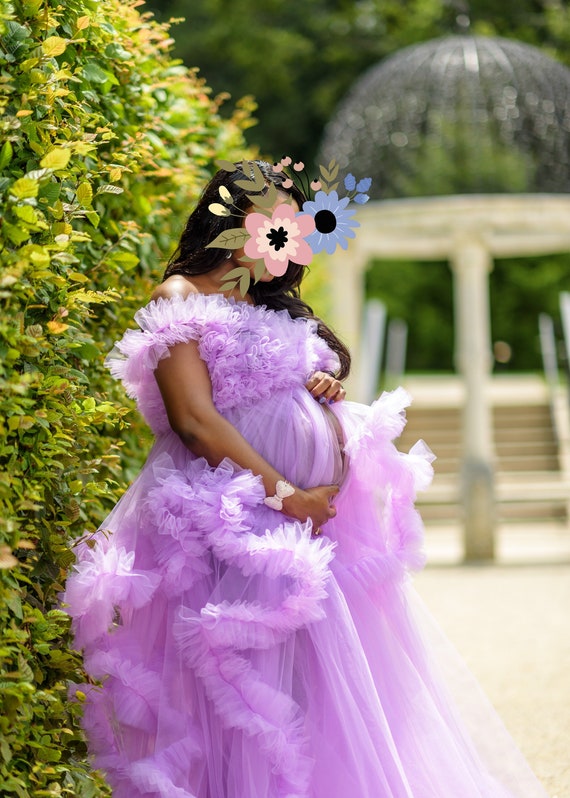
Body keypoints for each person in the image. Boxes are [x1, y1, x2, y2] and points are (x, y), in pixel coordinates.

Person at [64, 160, 549, 798]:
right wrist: (287, 495)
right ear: (235, 223)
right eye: (278, 224)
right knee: (238, 698)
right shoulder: (180, 297)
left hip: (308, 534)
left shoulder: (275, 309)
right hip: (227, 520)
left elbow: (269, 397)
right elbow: (194, 420)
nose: (289, 242)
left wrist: (317, 389)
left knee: (314, 701)